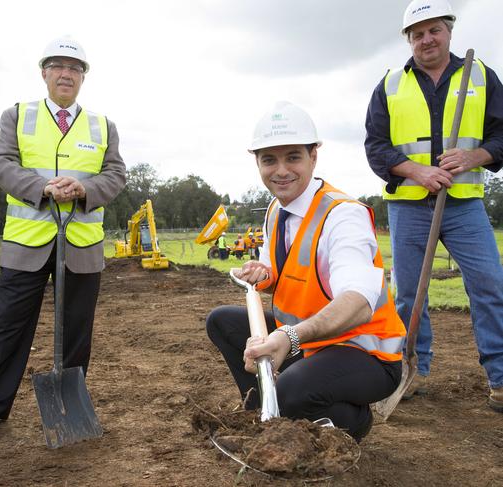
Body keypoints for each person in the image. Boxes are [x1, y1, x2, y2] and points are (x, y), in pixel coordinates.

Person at [207, 101, 406, 442]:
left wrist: (289, 337)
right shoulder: (275, 209)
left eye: (293, 157)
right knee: (222, 322)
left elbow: (357, 301)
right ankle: (263, 413)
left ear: (314, 157)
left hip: (364, 352)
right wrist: (263, 273)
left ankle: (353, 421)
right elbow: (285, 273)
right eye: (269, 159)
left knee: (290, 390)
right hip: (310, 342)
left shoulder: (343, 216)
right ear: (257, 161)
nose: (281, 170)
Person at [0, 35, 126, 438]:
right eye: (57, 66)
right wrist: (41, 189)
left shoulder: (103, 126)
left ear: (83, 77)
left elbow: (116, 175)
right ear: (44, 73)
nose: (65, 74)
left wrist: (84, 190)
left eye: (74, 68)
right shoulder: (18, 116)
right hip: (26, 242)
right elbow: (1, 164)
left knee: (75, 330)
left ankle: (70, 405)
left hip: (81, 246)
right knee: (7, 326)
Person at [364, 0, 503, 411]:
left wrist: (474, 157)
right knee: (408, 294)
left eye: (434, 30)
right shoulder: (389, 84)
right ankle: (411, 369)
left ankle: (500, 376)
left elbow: (501, 136)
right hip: (409, 205)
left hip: (463, 204)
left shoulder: (481, 76)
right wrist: (418, 172)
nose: (427, 39)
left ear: (449, 32)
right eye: (418, 33)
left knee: (490, 284)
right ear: (409, 40)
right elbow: (376, 147)